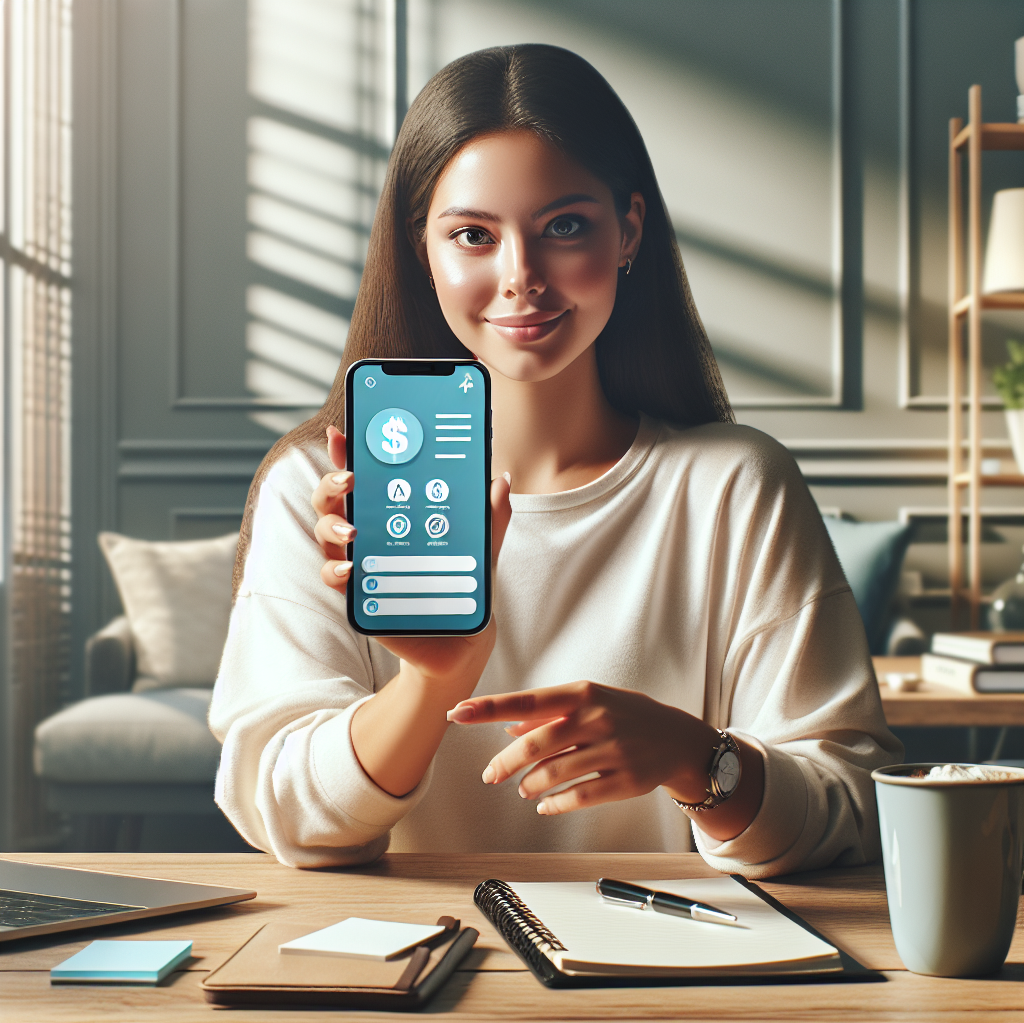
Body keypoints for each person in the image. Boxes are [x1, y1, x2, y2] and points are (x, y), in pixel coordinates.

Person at [209, 44, 902, 876]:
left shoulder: (734, 486)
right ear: (422, 250)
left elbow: (852, 804)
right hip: (406, 978)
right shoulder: (321, 487)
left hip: (659, 979)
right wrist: (432, 683)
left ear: (629, 232)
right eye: (472, 235)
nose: (521, 278)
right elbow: (283, 813)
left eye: (564, 227)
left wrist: (695, 756)